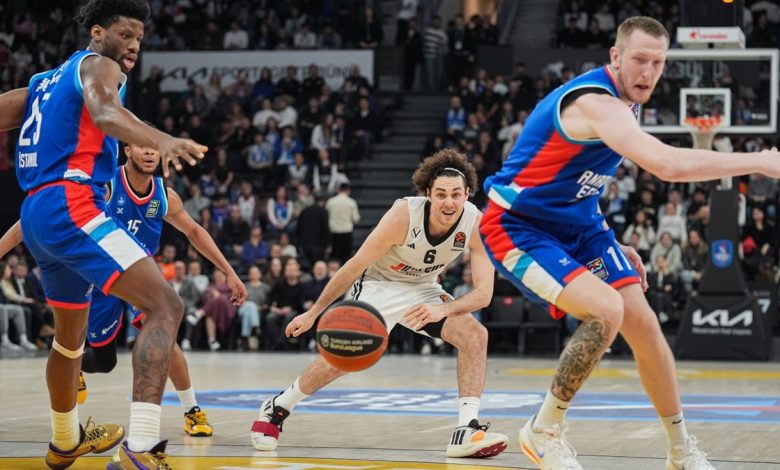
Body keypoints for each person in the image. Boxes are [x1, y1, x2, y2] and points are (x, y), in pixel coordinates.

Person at [479, 16, 780, 470]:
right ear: (615, 57)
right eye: (640, 59)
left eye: (658, 63)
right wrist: (757, 160)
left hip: (581, 228)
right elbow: (668, 166)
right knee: (607, 310)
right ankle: (543, 428)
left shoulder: (627, 104)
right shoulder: (597, 104)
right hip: (518, 226)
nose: (648, 71)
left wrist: (613, 242)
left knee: (646, 328)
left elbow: (579, 184)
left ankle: (680, 450)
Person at [0, 1, 213, 468]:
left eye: (139, 38)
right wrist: (161, 139)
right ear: (97, 33)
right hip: (72, 201)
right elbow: (104, 112)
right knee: (166, 306)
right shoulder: (101, 67)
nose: (133, 45)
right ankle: (140, 448)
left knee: (69, 341)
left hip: (36, 211)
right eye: (125, 35)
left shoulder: (45, 80)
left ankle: (65, 440)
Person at [250, 150, 509, 458]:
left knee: (475, 335)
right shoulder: (404, 215)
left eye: (456, 194)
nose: (449, 202)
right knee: (344, 358)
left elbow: (484, 294)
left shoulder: (476, 223)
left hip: (423, 289)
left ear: (467, 194)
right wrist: (314, 313)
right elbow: (354, 265)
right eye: (441, 194)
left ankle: (466, 429)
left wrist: (442, 309)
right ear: (428, 193)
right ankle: (278, 406)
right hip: (378, 284)